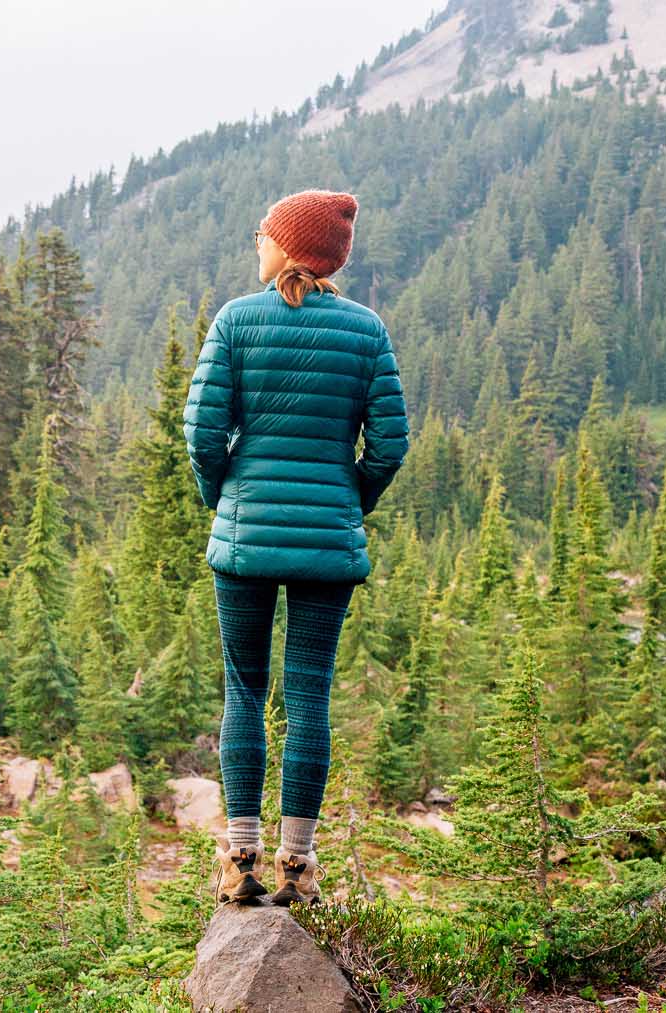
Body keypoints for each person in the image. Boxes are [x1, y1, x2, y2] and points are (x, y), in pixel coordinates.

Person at [182, 189, 409, 907]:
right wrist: (348, 503)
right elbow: (390, 445)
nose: (256, 242)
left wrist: (227, 500)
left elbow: (200, 432)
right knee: (309, 691)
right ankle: (299, 867)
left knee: (244, 687)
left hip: (244, 542)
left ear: (289, 247)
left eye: (264, 234)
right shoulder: (366, 331)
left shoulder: (236, 321)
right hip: (326, 545)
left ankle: (239, 859)